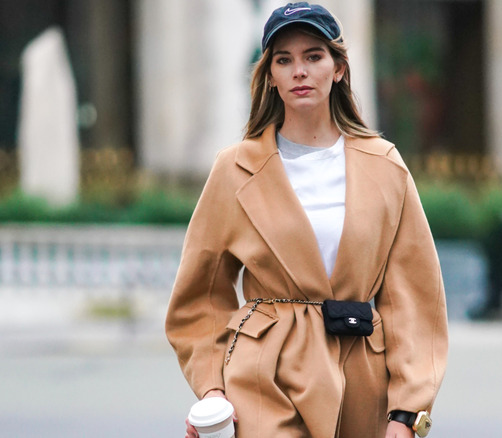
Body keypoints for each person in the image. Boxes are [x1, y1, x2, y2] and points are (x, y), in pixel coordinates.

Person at [165, 3, 448, 437]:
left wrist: (407, 412)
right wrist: (212, 391)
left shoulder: (385, 166)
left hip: (361, 379)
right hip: (263, 379)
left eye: (313, 56)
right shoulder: (235, 169)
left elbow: (414, 297)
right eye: (284, 60)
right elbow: (198, 297)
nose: (299, 71)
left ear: (338, 69)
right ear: (270, 76)